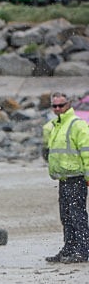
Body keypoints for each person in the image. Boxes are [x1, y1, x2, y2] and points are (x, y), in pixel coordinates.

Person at [42, 92, 89, 264]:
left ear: (68, 105)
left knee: (78, 215)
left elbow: (86, 151)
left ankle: (83, 250)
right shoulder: (56, 125)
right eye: (54, 106)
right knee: (66, 215)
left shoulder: (78, 125)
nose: (57, 109)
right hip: (63, 178)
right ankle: (69, 248)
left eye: (60, 105)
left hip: (77, 177)